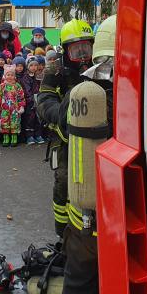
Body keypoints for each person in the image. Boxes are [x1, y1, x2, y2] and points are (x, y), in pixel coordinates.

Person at [51, 15, 116, 294]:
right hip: (128, 217)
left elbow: (59, 122)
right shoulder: (144, 90)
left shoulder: (83, 91)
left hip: (85, 218)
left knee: (77, 290)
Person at [37, 19, 96, 237]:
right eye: (76, 50)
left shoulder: (100, 68)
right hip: (65, 139)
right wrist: (62, 116)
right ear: (65, 50)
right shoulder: (55, 71)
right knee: (64, 182)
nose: (82, 56)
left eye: (86, 48)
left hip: (97, 136)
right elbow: (44, 102)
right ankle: (63, 233)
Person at [0, 63, 25, 147]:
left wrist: (21, 106)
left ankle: (14, 138)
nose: (10, 77)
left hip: (15, 109)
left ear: (14, 76)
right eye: (8, 75)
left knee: (15, 123)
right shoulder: (2, 86)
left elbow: (21, 97)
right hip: (4, 109)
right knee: (4, 123)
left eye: (11, 75)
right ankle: (6, 138)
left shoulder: (17, 86)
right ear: (5, 76)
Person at [21, 56, 45, 144]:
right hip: (30, 101)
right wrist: (31, 99)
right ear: (27, 66)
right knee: (29, 119)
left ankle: (38, 135)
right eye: (31, 65)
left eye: (35, 65)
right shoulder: (25, 77)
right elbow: (27, 90)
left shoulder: (39, 76)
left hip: (39, 99)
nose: (34, 67)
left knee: (38, 118)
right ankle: (29, 136)